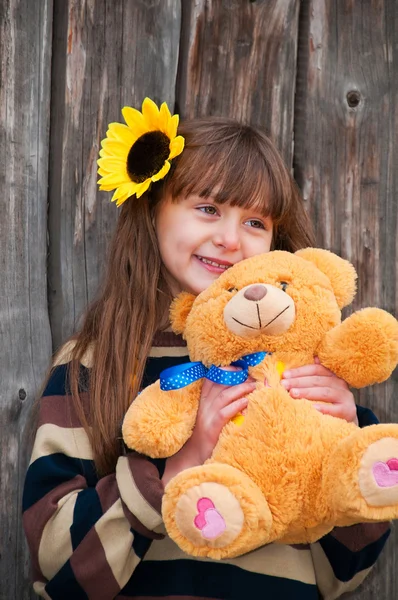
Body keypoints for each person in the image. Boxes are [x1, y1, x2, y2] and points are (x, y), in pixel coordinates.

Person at [23, 99, 390, 599]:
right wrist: (181, 463)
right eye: (208, 209)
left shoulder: (308, 365)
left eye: (255, 223)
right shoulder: (95, 361)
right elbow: (56, 561)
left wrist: (342, 439)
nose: (229, 239)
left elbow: (346, 574)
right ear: (154, 209)